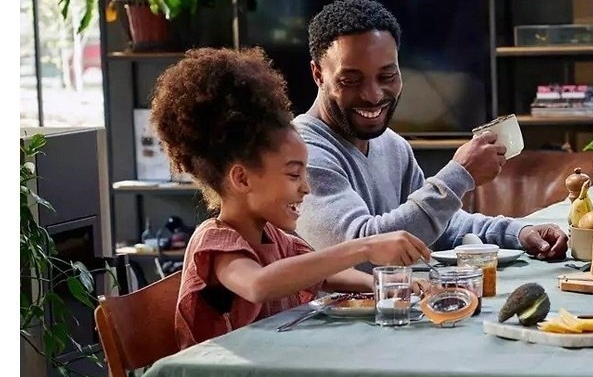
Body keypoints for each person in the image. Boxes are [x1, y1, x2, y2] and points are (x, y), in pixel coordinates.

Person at [150, 47, 431, 349]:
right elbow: (259, 284)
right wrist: (365, 246)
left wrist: (391, 285)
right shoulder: (216, 243)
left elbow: (325, 275)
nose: (306, 188)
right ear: (242, 179)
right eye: (294, 175)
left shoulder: (275, 238)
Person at [293, 0, 568, 261]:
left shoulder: (392, 146)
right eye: (351, 81)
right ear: (318, 74)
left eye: (387, 76)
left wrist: (518, 233)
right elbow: (359, 252)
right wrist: (459, 175)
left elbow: (436, 227)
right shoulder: (300, 153)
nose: (373, 95)